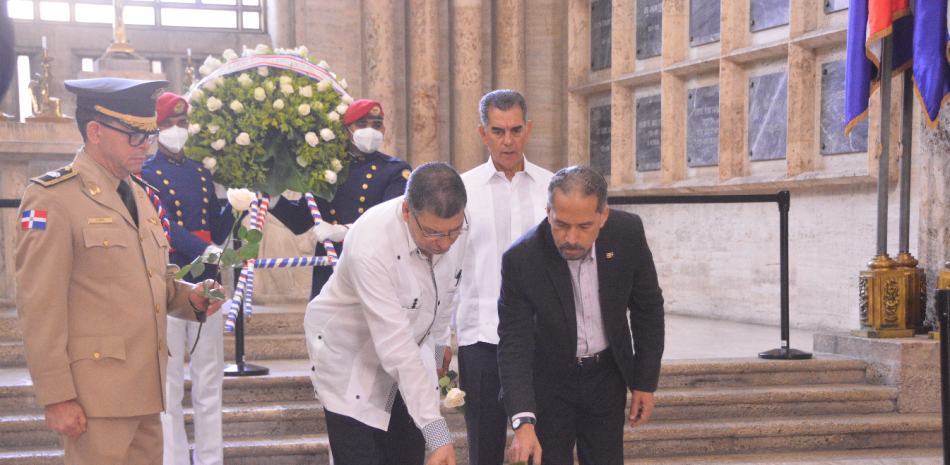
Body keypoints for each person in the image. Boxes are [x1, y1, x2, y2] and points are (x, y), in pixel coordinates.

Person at [15, 77, 226, 464]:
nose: (147, 145)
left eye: (149, 133)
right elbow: (38, 306)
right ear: (95, 131)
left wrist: (188, 297)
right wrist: (56, 395)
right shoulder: (53, 198)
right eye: (134, 135)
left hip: (146, 391)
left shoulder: (142, 195)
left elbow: (151, 282)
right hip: (95, 398)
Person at [497, 166, 665, 465]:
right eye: (561, 224)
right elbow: (514, 343)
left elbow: (648, 308)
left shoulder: (628, 233)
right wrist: (522, 421)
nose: (571, 238)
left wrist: (645, 381)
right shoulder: (522, 259)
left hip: (606, 377)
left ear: (603, 216)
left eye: (584, 226)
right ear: (548, 211)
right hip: (550, 380)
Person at [304, 162, 467, 465]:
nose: (445, 244)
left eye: (453, 232)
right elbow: (395, 345)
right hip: (352, 360)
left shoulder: (456, 226)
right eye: (433, 233)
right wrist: (438, 434)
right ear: (408, 212)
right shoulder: (372, 244)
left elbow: (447, 288)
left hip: (411, 357)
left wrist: (441, 343)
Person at [456, 89, 553, 465]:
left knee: (538, 444)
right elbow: (448, 268)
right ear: (483, 134)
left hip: (541, 337)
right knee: (483, 446)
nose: (508, 140)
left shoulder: (553, 188)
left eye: (515, 130)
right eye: (498, 131)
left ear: (528, 129)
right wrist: (439, 336)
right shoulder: (461, 191)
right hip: (479, 337)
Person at [140, 92, 236, 465]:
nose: (176, 130)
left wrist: (235, 205)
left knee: (210, 378)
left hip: (208, 281)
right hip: (171, 280)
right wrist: (205, 249)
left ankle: (211, 460)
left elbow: (217, 225)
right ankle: (174, 460)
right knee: (168, 382)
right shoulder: (144, 173)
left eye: (182, 123)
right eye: (167, 124)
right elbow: (165, 226)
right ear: (155, 128)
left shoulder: (201, 171)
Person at [268, 99, 412, 299]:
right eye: (361, 124)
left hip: (372, 263)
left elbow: (390, 222)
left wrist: (342, 230)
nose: (370, 130)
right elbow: (300, 221)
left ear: (384, 130)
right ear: (347, 130)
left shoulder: (396, 170)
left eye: (376, 125)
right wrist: (272, 196)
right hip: (329, 265)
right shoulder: (327, 168)